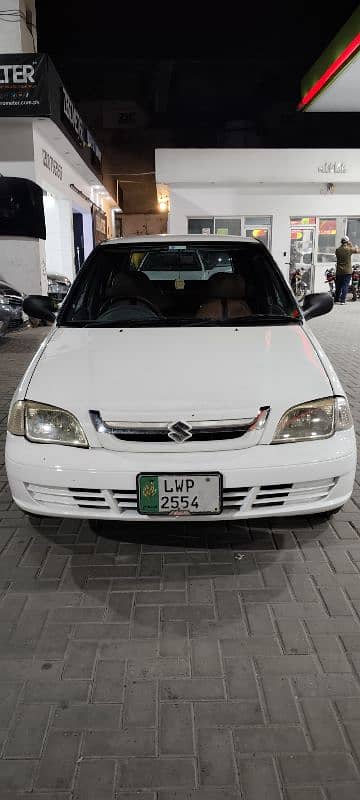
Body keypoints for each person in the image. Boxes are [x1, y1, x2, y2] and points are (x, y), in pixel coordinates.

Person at [335, 236, 360, 304]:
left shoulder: (337, 250)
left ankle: (336, 300)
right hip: (347, 271)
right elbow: (357, 251)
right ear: (347, 242)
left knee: (338, 286)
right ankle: (343, 301)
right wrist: (352, 245)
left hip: (339, 271)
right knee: (345, 285)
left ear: (341, 242)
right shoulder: (349, 249)